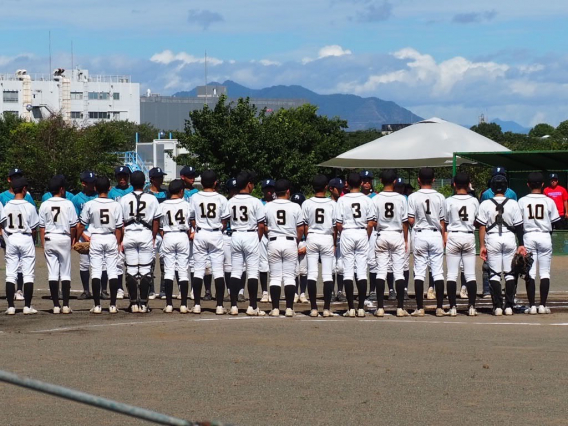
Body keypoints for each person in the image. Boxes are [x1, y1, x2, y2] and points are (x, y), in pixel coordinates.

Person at [477, 174, 526, 316]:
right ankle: (509, 306)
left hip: (492, 239)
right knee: (510, 274)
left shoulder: (485, 204)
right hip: (509, 238)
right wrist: (521, 244)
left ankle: (497, 306)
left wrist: (482, 245)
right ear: (506, 187)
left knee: (494, 274)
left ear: (492, 187)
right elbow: (518, 227)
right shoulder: (513, 203)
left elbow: (481, 227)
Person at [76, 176, 124, 314]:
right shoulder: (116, 205)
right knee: (112, 271)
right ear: (109, 188)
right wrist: (118, 242)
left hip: (95, 238)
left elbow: (81, 225)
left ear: (95, 188)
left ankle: (97, 305)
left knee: (96, 271)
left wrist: (76, 238)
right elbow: (119, 227)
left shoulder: (90, 204)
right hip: (110, 237)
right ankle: (113, 305)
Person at [335, 172, 376, 317]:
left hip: (347, 231)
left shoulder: (342, 200)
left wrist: (344, 233)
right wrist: (367, 234)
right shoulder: (367, 200)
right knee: (361, 270)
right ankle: (360, 308)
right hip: (362, 232)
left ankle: (351, 308)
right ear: (360, 184)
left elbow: (338, 224)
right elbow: (371, 222)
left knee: (347, 270)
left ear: (347, 183)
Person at [119, 171, 161, 313]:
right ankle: (143, 304)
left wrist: (120, 239)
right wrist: (154, 236)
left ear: (131, 183)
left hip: (129, 234)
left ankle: (133, 304)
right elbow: (156, 220)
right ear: (144, 183)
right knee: (145, 270)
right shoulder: (152, 198)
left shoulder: (123, 199)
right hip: (145, 234)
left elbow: (120, 223)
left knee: (131, 270)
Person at [189, 170, 230, 315]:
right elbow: (224, 220)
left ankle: (197, 305)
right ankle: (219, 306)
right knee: (218, 270)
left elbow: (192, 218)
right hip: (215, 233)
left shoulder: (194, 197)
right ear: (215, 183)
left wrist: (197, 226)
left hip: (200, 232)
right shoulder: (221, 198)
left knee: (199, 269)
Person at [518, 172, 560, 314]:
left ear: (528, 184)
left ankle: (532, 306)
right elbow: (556, 222)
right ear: (543, 185)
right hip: (544, 236)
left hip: (529, 235)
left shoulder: (522, 201)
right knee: (544, 273)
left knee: (530, 272)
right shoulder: (549, 201)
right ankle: (542, 305)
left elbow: (518, 223)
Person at [408, 167, 447, 317]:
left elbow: (411, 219)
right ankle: (439, 308)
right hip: (436, 234)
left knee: (419, 272)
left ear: (418, 180)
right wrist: (443, 236)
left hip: (420, 233)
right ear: (433, 180)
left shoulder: (413, 196)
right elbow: (442, 220)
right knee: (438, 272)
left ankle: (420, 307)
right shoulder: (440, 197)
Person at [227, 171, 267, 316]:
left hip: (236, 234)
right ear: (249, 184)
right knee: (252, 272)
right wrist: (258, 238)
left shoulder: (230, 201)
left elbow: (225, 220)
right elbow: (261, 225)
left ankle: (233, 306)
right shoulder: (255, 201)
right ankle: (253, 306)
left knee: (236, 271)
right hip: (250, 234)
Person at [38, 175, 78, 314]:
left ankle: (55, 305)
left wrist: (43, 243)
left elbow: (41, 227)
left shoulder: (44, 204)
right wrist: (73, 239)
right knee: (65, 272)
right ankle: (66, 305)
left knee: (53, 272)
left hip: (49, 237)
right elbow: (73, 226)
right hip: (64, 237)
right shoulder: (68, 203)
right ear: (61, 189)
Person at [265, 179, 304, 317]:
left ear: (275, 192)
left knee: (275, 277)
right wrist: (296, 240)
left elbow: (264, 226)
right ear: (288, 191)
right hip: (290, 241)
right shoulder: (295, 206)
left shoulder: (268, 206)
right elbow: (300, 228)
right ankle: (288, 308)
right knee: (289, 277)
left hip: (274, 241)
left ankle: (275, 308)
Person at [372, 169, 409, 318]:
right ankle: (400, 308)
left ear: (380, 181)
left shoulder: (375, 199)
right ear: (394, 182)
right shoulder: (401, 199)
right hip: (397, 234)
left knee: (381, 271)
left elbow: (373, 221)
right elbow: (405, 222)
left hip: (382, 233)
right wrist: (405, 239)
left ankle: (380, 307)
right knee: (398, 272)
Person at [3, 177, 39, 315]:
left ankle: (11, 306)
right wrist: (33, 241)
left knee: (10, 274)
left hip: (11, 238)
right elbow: (34, 227)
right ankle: (27, 306)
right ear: (24, 189)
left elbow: (4, 226)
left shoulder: (6, 206)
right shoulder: (29, 206)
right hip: (25, 238)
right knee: (28, 273)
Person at [445, 172, 479, 317]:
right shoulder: (474, 201)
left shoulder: (449, 200)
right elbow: (478, 220)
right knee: (470, 274)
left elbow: (445, 220)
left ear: (454, 185)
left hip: (453, 234)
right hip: (468, 235)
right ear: (468, 185)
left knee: (452, 274)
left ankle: (453, 307)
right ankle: (471, 306)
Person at [302, 175, 337, 317]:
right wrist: (334, 243)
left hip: (312, 235)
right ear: (326, 187)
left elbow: (304, 225)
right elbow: (335, 226)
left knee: (312, 273)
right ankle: (327, 308)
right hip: (327, 237)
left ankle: (314, 308)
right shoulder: (332, 203)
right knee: (327, 274)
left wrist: (308, 237)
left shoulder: (307, 203)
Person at [160, 180, 192, 313]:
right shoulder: (186, 204)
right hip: (182, 235)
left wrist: (165, 235)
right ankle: (184, 304)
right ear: (181, 191)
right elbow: (191, 223)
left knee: (168, 270)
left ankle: (168, 305)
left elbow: (160, 225)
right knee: (183, 270)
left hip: (168, 234)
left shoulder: (162, 205)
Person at [71, 171, 98, 300]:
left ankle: (102, 290)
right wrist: (83, 236)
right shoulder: (76, 199)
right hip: (84, 232)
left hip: (98, 232)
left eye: (93, 182)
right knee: (84, 263)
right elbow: (75, 220)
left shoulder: (99, 196)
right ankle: (86, 290)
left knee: (100, 263)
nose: (92, 185)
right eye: (89, 183)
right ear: (83, 183)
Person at [109, 165, 133, 300]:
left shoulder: (132, 190)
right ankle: (119, 287)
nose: (122, 178)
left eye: (125, 176)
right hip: (117, 228)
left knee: (131, 260)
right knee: (118, 261)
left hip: (130, 228)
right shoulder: (112, 193)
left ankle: (131, 287)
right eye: (120, 176)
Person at [145, 167, 169, 300]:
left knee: (164, 260)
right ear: (152, 179)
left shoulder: (167, 193)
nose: (161, 179)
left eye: (162, 177)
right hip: (152, 231)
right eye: (159, 177)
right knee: (150, 261)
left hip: (165, 231)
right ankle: (150, 289)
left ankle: (164, 290)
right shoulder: (146, 194)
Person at [360, 170, 378, 304]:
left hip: (373, 232)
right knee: (358, 263)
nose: (366, 183)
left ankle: (372, 290)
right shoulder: (356, 196)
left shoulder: (376, 197)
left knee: (372, 261)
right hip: (359, 231)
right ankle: (360, 291)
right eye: (364, 180)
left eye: (368, 180)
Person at [328, 177, 346, 302]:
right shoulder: (328, 203)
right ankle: (331, 291)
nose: (339, 190)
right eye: (337, 188)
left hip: (341, 237)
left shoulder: (343, 202)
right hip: (330, 238)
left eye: (341, 188)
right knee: (331, 267)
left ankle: (340, 291)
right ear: (331, 189)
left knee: (341, 266)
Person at [259, 178, 275, 302]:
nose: (269, 191)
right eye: (267, 189)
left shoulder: (277, 203)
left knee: (275, 264)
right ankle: (265, 291)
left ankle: (274, 290)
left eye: (271, 188)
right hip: (263, 237)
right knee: (263, 265)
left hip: (275, 235)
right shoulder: (259, 203)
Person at [291, 192, 308, 304]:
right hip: (292, 242)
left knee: (304, 271)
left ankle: (302, 293)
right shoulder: (292, 213)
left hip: (304, 241)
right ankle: (295, 293)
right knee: (294, 271)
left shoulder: (305, 214)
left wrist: (307, 245)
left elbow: (308, 231)